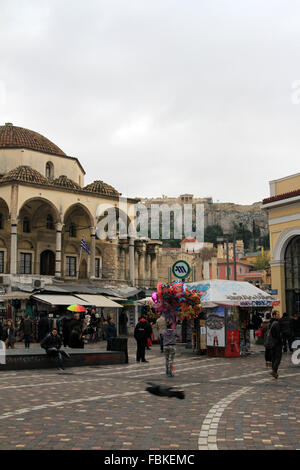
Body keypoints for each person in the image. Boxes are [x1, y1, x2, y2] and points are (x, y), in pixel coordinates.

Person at [269, 310, 283, 379]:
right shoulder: (276, 323)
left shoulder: (270, 322)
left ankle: (275, 372)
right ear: (274, 315)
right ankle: (274, 370)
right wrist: (281, 342)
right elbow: (278, 335)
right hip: (277, 343)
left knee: (273, 358)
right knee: (278, 357)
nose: (279, 315)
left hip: (271, 343)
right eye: (277, 314)